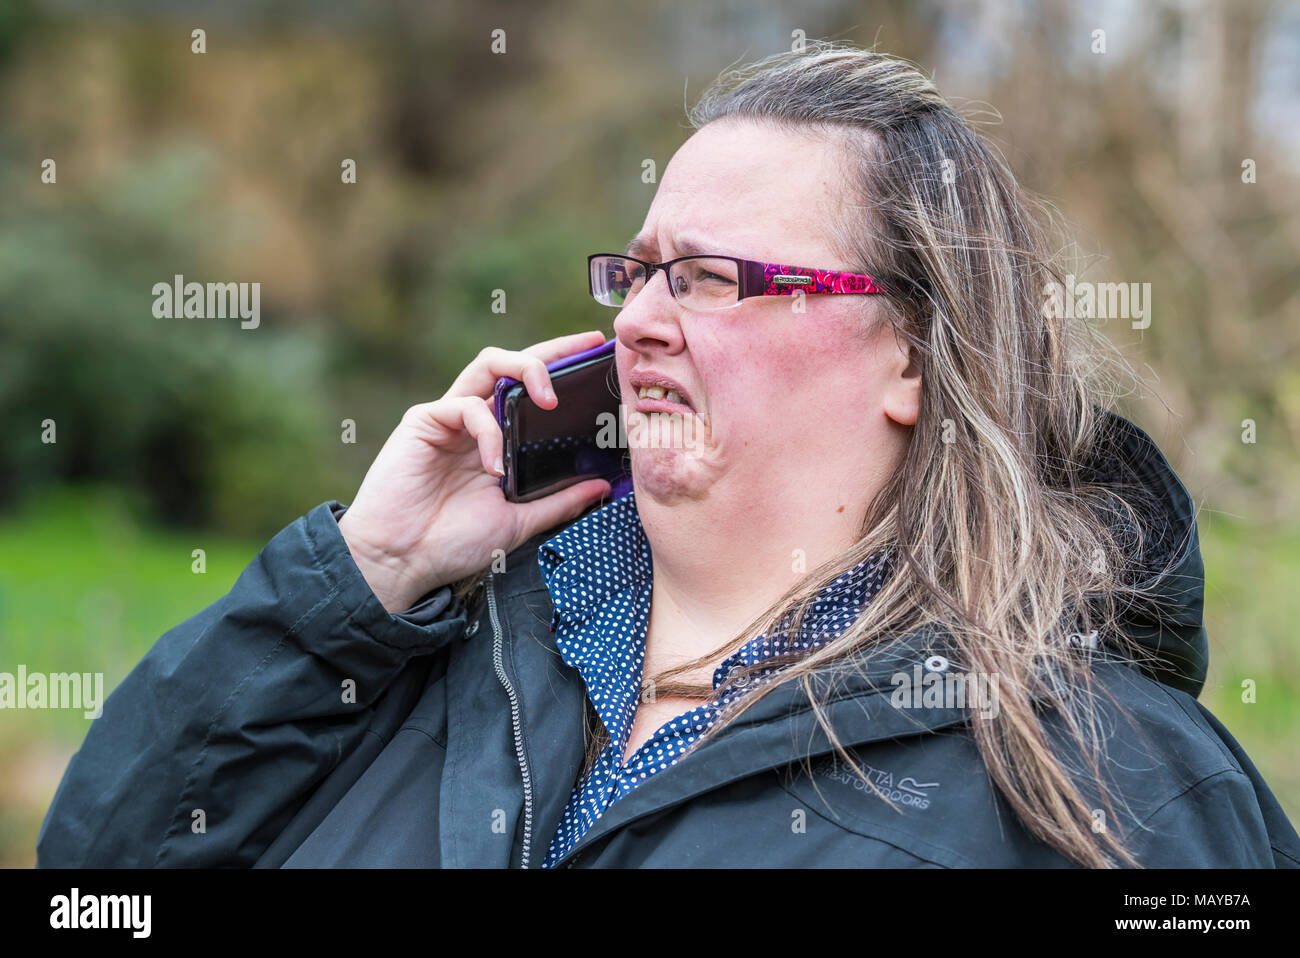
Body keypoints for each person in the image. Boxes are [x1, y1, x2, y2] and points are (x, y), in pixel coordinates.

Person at [38, 42, 1299, 868]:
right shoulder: (427, 649)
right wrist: (361, 585)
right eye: (637, 272)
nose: (635, 316)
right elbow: (100, 876)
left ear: (911, 354)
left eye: (707, 278)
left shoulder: (1116, 786)